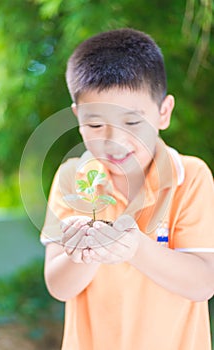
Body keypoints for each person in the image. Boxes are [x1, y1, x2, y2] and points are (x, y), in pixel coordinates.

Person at [40, 28, 214, 350]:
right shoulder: (71, 178)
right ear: (77, 116)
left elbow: (203, 282)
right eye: (94, 125)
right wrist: (86, 252)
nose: (114, 140)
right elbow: (59, 286)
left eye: (132, 123)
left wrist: (134, 248)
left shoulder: (189, 177)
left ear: (164, 112)